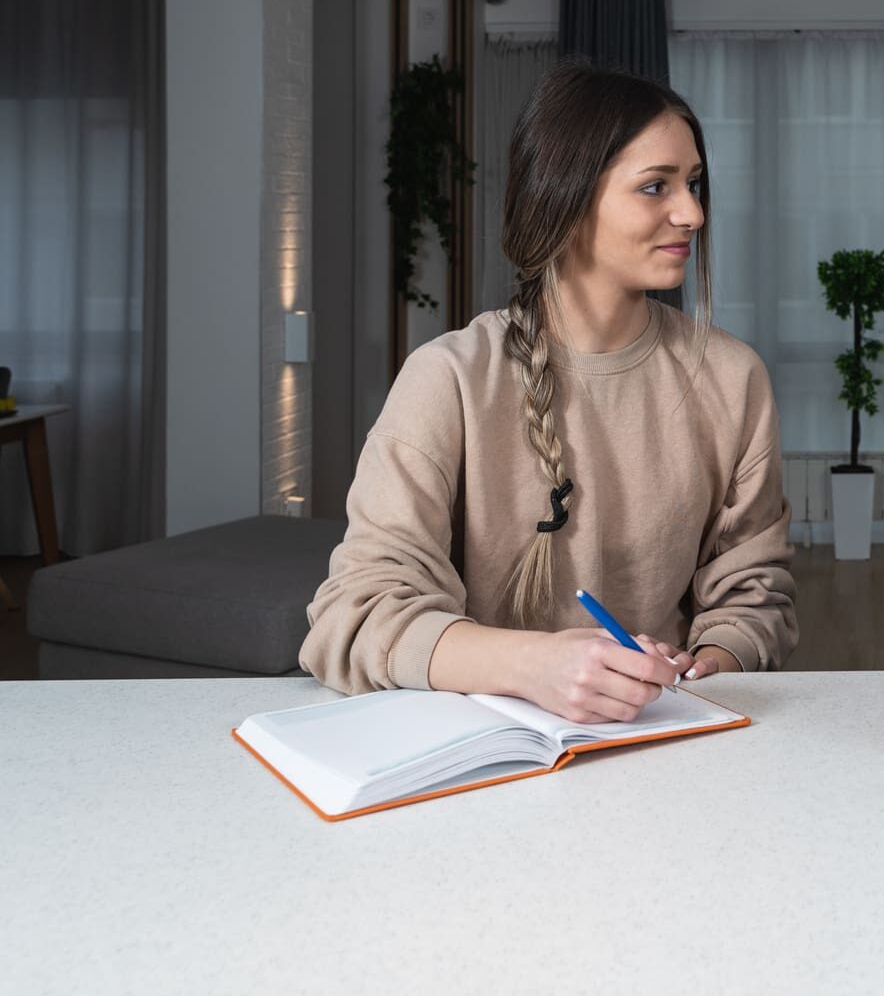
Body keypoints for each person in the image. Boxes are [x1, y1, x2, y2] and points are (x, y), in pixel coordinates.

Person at [302, 63, 795, 719]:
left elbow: (753, 596)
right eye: (656, 186)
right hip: (476, 744)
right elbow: (353, 613)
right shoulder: (447, 377)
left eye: (694, 183)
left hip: (660, 736)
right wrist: (533, 665)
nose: (692, 213)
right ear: (562, 196)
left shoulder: (734, 378)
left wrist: (706, 661)